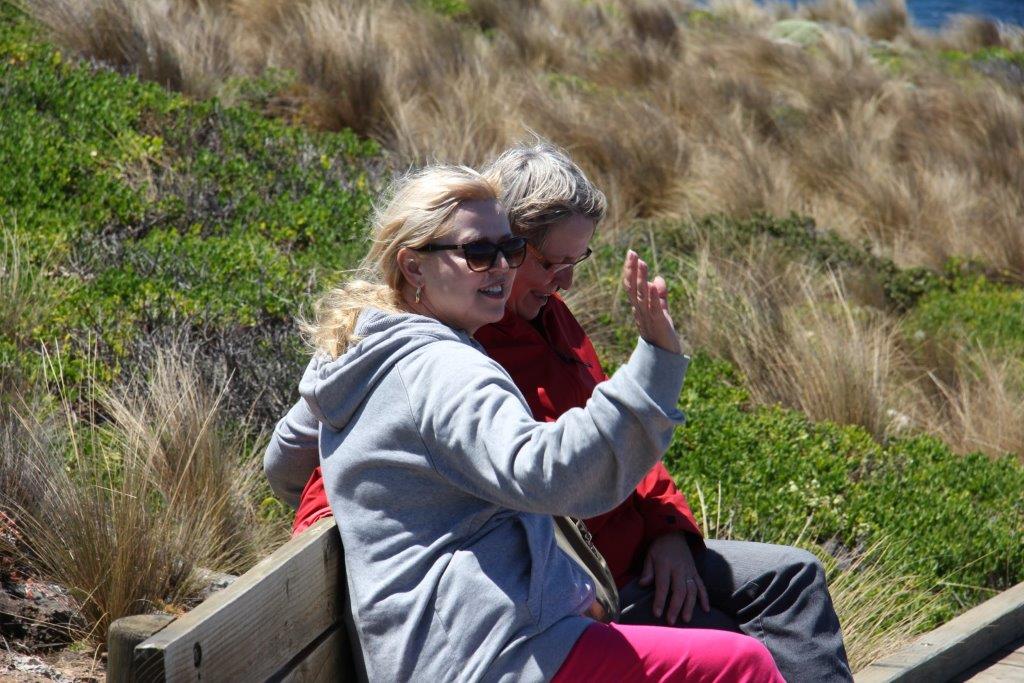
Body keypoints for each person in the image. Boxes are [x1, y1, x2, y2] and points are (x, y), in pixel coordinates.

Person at [269, 163, 782, 681]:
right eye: (478, 252)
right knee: (745, 664)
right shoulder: (444, 368)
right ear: (414, 266)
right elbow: (548, 474)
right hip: (491, 656)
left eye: (509, 250)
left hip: (462, 645)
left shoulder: (364, 348)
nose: (500, 268)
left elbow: (283, 462)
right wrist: (655, 365)